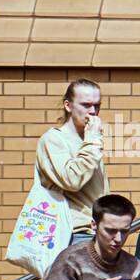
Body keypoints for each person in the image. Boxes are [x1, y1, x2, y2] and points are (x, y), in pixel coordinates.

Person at [43, 194, 140, 280]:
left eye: (124, 231)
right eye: (111, 230)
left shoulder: (134, 266)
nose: (118, 239)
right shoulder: (70, 260)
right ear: (94, 225)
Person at [37, 79, 108, 236]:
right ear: (68, 105)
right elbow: (72, 180)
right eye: (86, 105)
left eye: (97, 105)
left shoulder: (89, 138)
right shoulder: (54, 139)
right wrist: (94, 140)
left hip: (96, 229)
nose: (92, 111)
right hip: (72, 232)